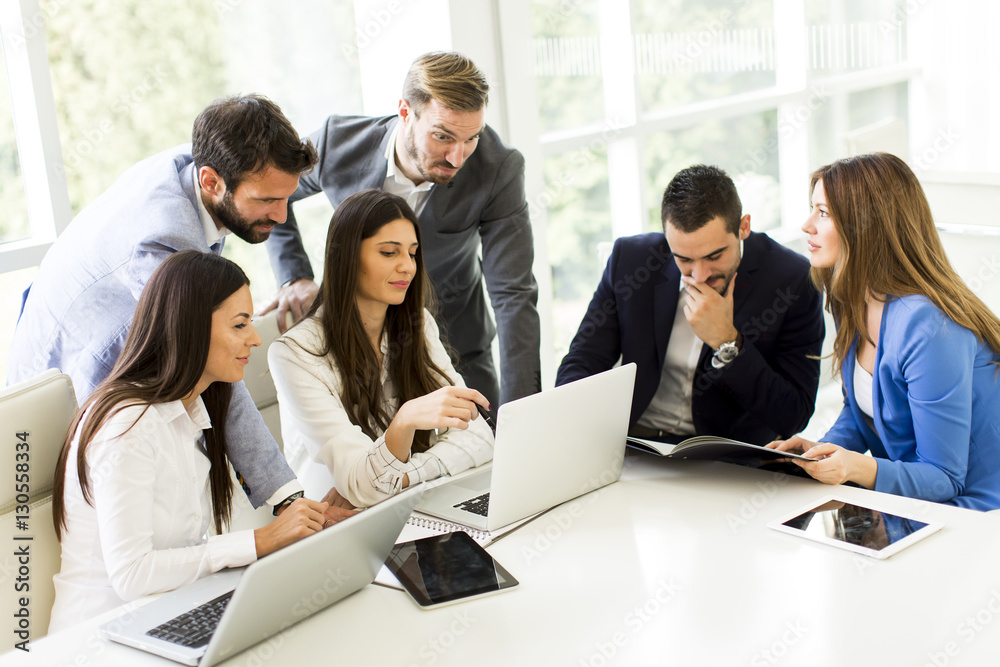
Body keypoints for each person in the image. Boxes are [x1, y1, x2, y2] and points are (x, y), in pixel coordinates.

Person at [8, 95, 317, 512]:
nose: (281, 217)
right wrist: (287, 497)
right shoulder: (162, 238)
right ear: (211, 181)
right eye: (266, 201)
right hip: (64, 380)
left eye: (287, 198)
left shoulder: (194, 163)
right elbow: (214, 359)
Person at [48, 252, 341, 632]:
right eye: (240, 325)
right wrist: (259, 542)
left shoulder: (193, 413)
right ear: (190, 327)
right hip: (98, 640)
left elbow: (180, 556)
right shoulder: (127, 426)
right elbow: (132, 574)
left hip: (166, 616)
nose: (254, 339)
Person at [261, 51, 541, 412]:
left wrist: (523, 415)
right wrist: (294, 275)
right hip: (356, 350)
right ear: (406, 112)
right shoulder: (337, 144)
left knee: (485, 450)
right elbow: (269, 195)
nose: (458, 157)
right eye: (443, 137)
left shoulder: (497, 168)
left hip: (457, 350)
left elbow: (513, 294)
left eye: (471, 138)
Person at [768, 153, 1000, 511]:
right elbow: (863, 412)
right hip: (914, 504)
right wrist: (818, 453)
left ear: (865, 225)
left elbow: (944, 478)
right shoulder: (857, 300)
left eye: (823, 213)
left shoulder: (927, 326)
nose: (806, 225)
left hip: (974, 513)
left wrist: (858, 466)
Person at [557, 165, 825, 445]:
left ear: (743, 227)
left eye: (715, 256)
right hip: (633, 442)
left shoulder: (793, 281)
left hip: (725, 458)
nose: (699, 276)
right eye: (684, 259)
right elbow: (583, 361)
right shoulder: (632, 261)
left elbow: (794, 415)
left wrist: (727, 342)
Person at [268, 190, 494, 507]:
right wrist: (404, 422)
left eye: (412, 253)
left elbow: (480, 438)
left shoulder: (418, 325)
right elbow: (362, 486)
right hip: (335, 531)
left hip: (411, 507)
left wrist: (404, 477)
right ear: (346, 257)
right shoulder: (295, 354)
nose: (408, 267)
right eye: (389, 253)